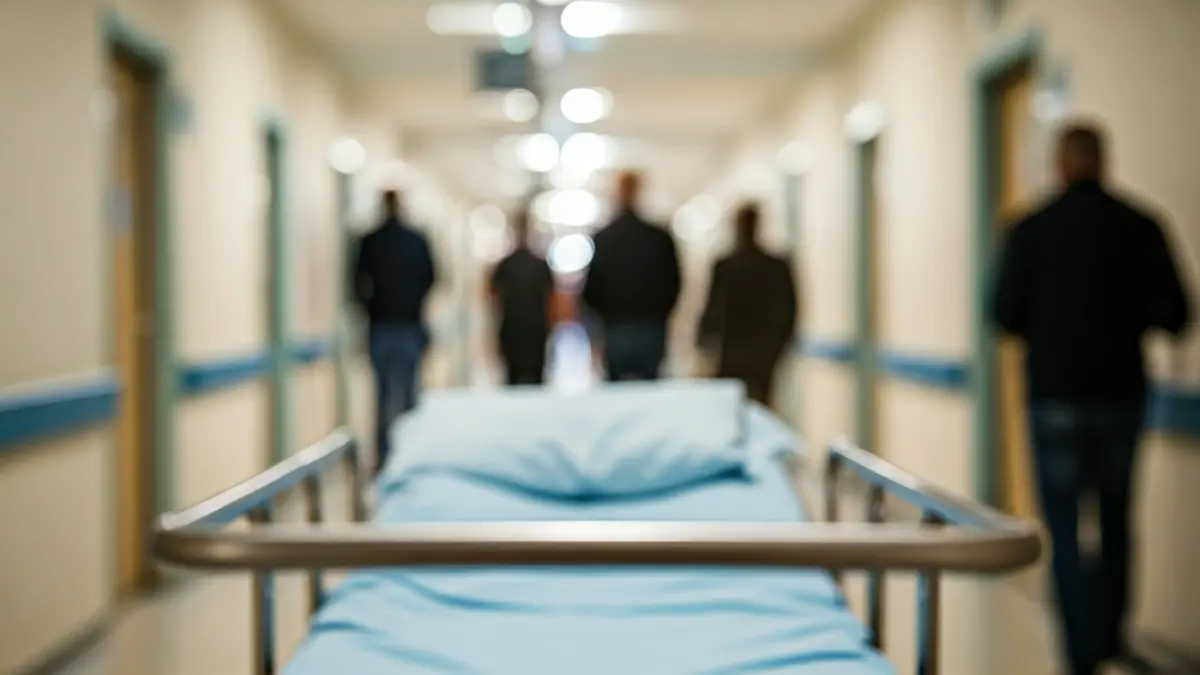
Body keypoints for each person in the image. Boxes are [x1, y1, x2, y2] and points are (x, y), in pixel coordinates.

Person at [991, 121, 1190, 675]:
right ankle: (1110, 638)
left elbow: (1003, 314)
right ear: (1104, 161)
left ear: (1059, 165)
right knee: (1116, 521)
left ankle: (1079, 655)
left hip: (1054, 398)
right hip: (1120, 397)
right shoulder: (1140, 226)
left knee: (1064, 529)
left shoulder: (1031, 230)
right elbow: (1177, 313)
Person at [353, 189, 437, 472]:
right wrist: (414, 303)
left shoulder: (370, 241)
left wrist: (371, 311)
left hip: (381, 327)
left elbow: (356, 285)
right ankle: (410, 457)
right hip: (410, 326)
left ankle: (384, 459)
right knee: (410, 394)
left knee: (382, 397)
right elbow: (432, 278)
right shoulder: (416, 240)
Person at [582, 171, 682, 381]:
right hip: (650, 327)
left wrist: (602, 320)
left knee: (617, 388)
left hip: (617, 327)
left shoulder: (604, 238)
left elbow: (591, 290)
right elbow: (674, 284)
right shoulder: (658, 238)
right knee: (649, 386)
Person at [697, 203, 798, 407]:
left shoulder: (726, 265)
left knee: (729, 405)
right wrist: (780, 344)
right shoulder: (775, 266)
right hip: (763, 348)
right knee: (762, 404)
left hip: (732, 349)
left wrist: (704, 341)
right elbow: (789, 309)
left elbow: (713, 307)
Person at [489, 209, 555, 385]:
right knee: (535, 378)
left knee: (514, 379)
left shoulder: (505, 265)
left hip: (514, 329)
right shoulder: (540, 265)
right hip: (534, 329)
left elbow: (493, 298)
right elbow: (551, 299)